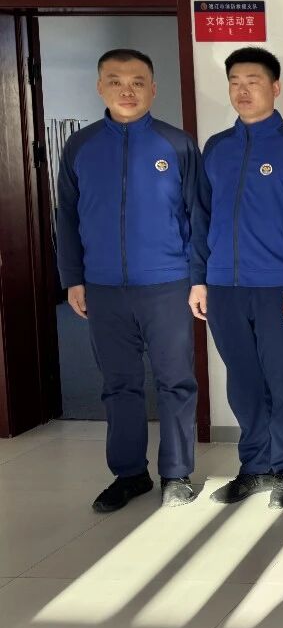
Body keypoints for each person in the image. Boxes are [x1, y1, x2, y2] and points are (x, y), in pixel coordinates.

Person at [56, 48, 201, 512]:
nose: (127, 90)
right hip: (103, 287)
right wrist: (73, 278)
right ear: (100, 87)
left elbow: (198, 216)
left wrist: (199, 278)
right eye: (116, 81)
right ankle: (129, 473)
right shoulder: (80, 147)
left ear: (153, 89)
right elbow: (67, 217)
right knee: (119, 384)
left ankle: (176, 474)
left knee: (176, 381)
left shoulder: (177, 144)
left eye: (138, 81)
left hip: (168, 284)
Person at [189, 47, 283, 510]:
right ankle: (254, 466)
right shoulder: (216, 148)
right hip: (223, 287)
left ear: (276, 87)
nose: (243, 91)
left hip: (279, 286)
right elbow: (200, 216)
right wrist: (199, 279)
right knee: (243, 381)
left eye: (254, 81)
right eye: (235, 82)